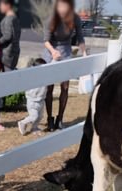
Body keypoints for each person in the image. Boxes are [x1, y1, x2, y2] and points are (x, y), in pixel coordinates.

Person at [43, 0, 86, 131]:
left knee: (65, 87)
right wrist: (53, 52)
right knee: (49, 87)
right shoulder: (51, 18)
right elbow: (46, 40)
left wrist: (84, 52)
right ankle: (49, 119)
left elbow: (80, 38)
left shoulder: (75, 18)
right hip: (51, 50)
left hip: (66, 50)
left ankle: (60, 119)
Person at [18, 58, 47, 136]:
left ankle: (34, 127)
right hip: (32, 101)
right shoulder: (31, 77)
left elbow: (52, 66)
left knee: (40, 116)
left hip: (41, 100)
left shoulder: (45, 77)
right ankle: (22, 122)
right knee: (34, 116)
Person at [0, 0, 20, 70]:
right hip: (15, 50)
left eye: (1, 5)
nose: (0, 7)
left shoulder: (8, 19)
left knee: (7, 74)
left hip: (7, 52)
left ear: (8, 5)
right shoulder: (15, 17)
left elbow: (7, 36)